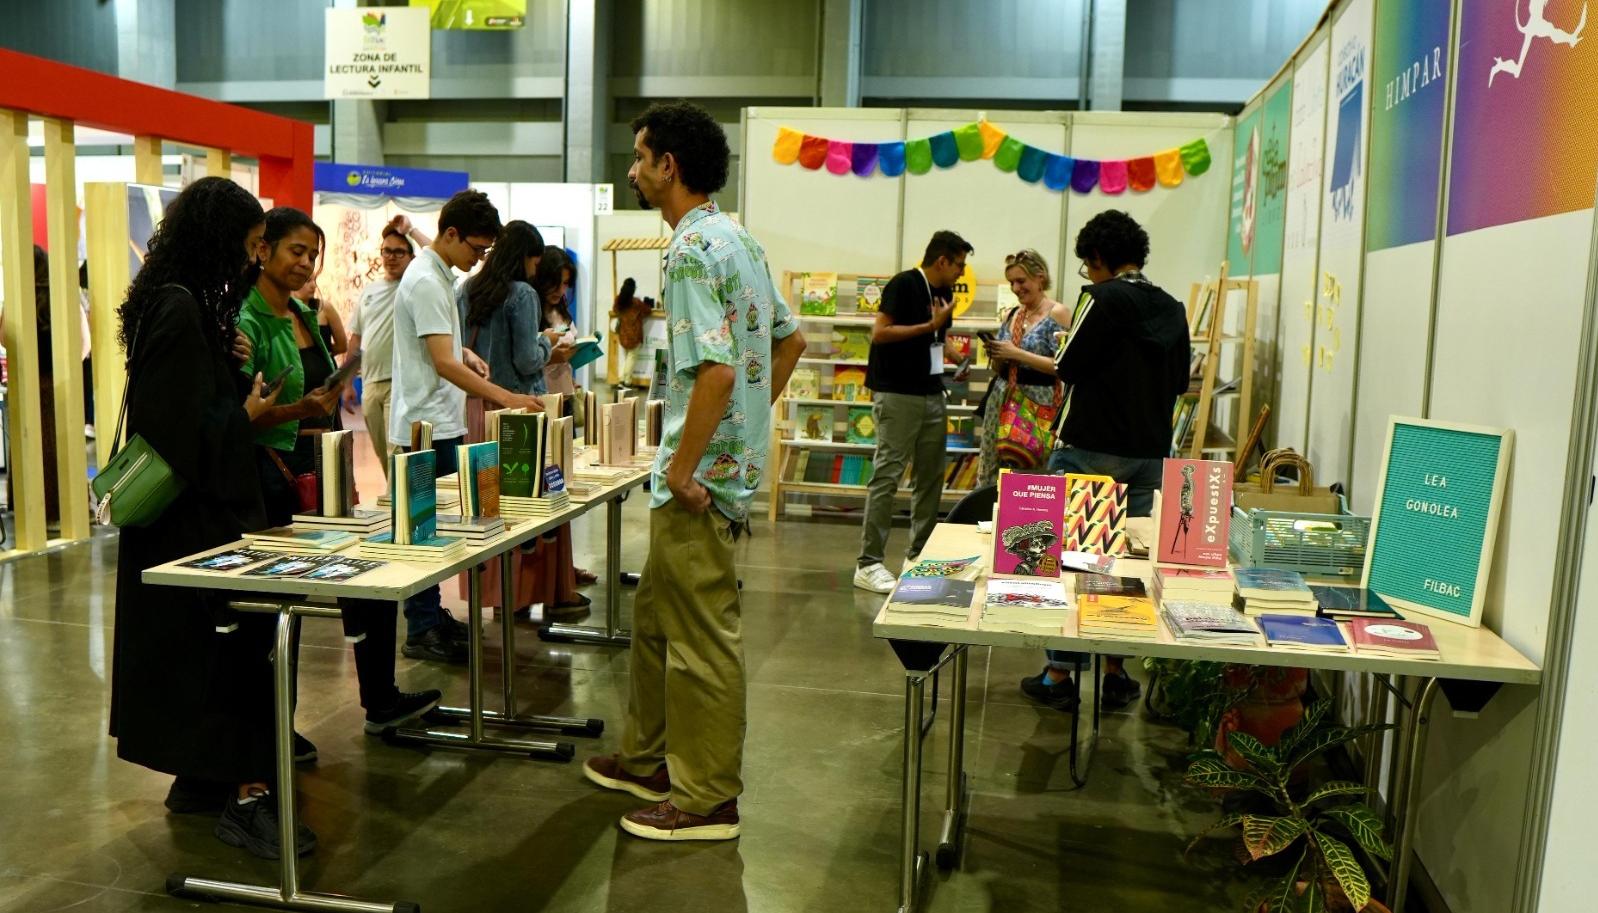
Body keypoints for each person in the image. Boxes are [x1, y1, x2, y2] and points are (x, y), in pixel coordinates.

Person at [582, 100, 805, 841]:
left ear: (666, 165)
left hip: (698, 487)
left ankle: (707, 795)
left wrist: (685, 468)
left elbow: (712, 368)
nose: (632, 170)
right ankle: (650, 755)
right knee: (654, 622)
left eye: (639, 157)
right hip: (716, 470)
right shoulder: (737, 238)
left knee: (702, 638)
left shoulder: (687, 250)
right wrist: (745, 419)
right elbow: (789, 341)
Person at [107, 176, 308, 858]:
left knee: (211, 657)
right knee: (228, 656)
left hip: (189, 524)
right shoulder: (178, 309)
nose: (254, 259)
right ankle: (245, 793)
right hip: (189, 527)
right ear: (220, 241)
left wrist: (228, 368)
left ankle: (202, 776)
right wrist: (243, 411)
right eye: (252, 245)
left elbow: (187, 401)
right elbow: (180, 431)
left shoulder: (185, 305)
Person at [238, 206, 442, 751]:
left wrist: (323, 400)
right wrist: (298, 409)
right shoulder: (247, 321)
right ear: (263, 250)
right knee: (283, 610)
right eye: (295, 251)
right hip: (274, 477)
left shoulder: (305, 313)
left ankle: (381, 699)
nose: (305, 263)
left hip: (324, 469)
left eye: (312, 253)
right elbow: (242, 414)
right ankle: (274, 728)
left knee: (367, 577)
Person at [1021, 210, 1190, 711]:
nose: (1087, 275)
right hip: (1148, 453)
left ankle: (1060, 673)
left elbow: (1069, 365)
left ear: (1097, 259)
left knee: (1069, 559)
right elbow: (1180, 382)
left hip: (1090, 445)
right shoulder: (1173, 307)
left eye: (1087, 265)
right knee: (1125, 566)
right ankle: (1116, 670)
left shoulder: (1101, 297)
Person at [388, 188, 546, 663]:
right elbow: (439, 361)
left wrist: (467, 354)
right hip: (424, 427)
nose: (478, 260)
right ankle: (420, 627)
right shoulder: (427, 281)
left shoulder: (437, 276)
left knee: (436, 529)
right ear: (451, 234)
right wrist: (505, 395)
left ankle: (432, 616)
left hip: (440, 421)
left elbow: (441, 348)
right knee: (420, 531)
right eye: (475, 249)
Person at [454, 221, 587, 618]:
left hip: (478, 410)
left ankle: (500, 598)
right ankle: (538, 591)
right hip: (521, 411)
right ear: (526, 257)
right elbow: (528, 359)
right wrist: (547, 342)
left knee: (490, 509)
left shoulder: (468, 290)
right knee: (537, 508)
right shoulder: (523, 294)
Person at [852, 230, 972, 594]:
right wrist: (930, 326)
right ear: (942, 261)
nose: (960, 274)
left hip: (932, 392)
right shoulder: (904, 284)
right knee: (888, 475)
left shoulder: (944, 294)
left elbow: (935, 340)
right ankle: (869, 562)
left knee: (931, 476)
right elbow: (880, 333)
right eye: (959, 266)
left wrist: (956, 357)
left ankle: (919, 555)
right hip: (897, 394)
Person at [977, 249, 1073, 487]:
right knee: (994, 465)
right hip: (1004, 398)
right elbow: (999, 366)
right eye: (1011, 283)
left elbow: (1065, 366)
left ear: (1040, 277)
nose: (1016, 288)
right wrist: (997, 353)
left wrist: (1017, 353)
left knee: (1035, 467)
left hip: (1040, 402)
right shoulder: (1013, 315)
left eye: (1021, 281)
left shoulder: (1058, 313)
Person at [347, 218, 418, 470]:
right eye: (387, 250)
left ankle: (398, 503)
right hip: (369, 383)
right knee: (382, 453)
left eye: (399, 251)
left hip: (399, 384)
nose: (391, 257)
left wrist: (412, 230)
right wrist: (346, 382)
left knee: (395, 451)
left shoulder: (413, 288)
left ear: (411, 256)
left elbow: (437, 259)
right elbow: (356, 337)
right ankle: (395, 499)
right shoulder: (370, 291)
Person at [532, 246, 580, 397]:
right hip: (540, 398)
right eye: (555, 282)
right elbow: (522, 361)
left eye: (565, 283)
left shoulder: (561, 310)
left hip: (565, 394)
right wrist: (550, 357)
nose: (560, 290)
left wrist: (570, 379)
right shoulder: (529, 311)